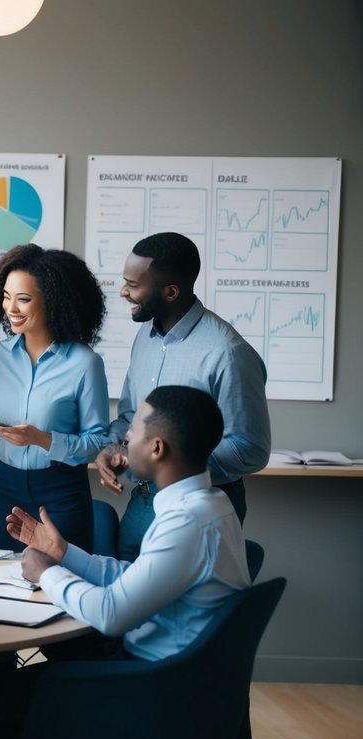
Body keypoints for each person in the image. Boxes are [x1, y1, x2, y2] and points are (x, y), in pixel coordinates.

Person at [0, 386, 253, 739]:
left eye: (134, 431)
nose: (122, 442)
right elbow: (135, 576)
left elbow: (111, 613)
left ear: (157, 448)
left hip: (154, 697)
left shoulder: (186, 523)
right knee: (34, 678)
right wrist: (63, 553)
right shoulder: (210, 507)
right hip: (179, 681)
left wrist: (46, 573)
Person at [96, 231, 270, 559]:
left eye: (133, 285)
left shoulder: (227, 353)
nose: (123, 292)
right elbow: (130, 418)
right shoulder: (145, 339)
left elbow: (251, 450)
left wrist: (164, 460)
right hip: (142, 502)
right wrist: (114, 447)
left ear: (171, 291)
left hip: (198, 509)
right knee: (123, 600)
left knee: (169, 609)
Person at [0, 244, 110, 553]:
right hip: (4, 487)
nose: (11, 308)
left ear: (53, 303)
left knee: (60, 588)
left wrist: (43, 439)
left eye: (23, 299)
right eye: (6, 297)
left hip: (62, 493)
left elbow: (97, 443)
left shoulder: (85, 363)